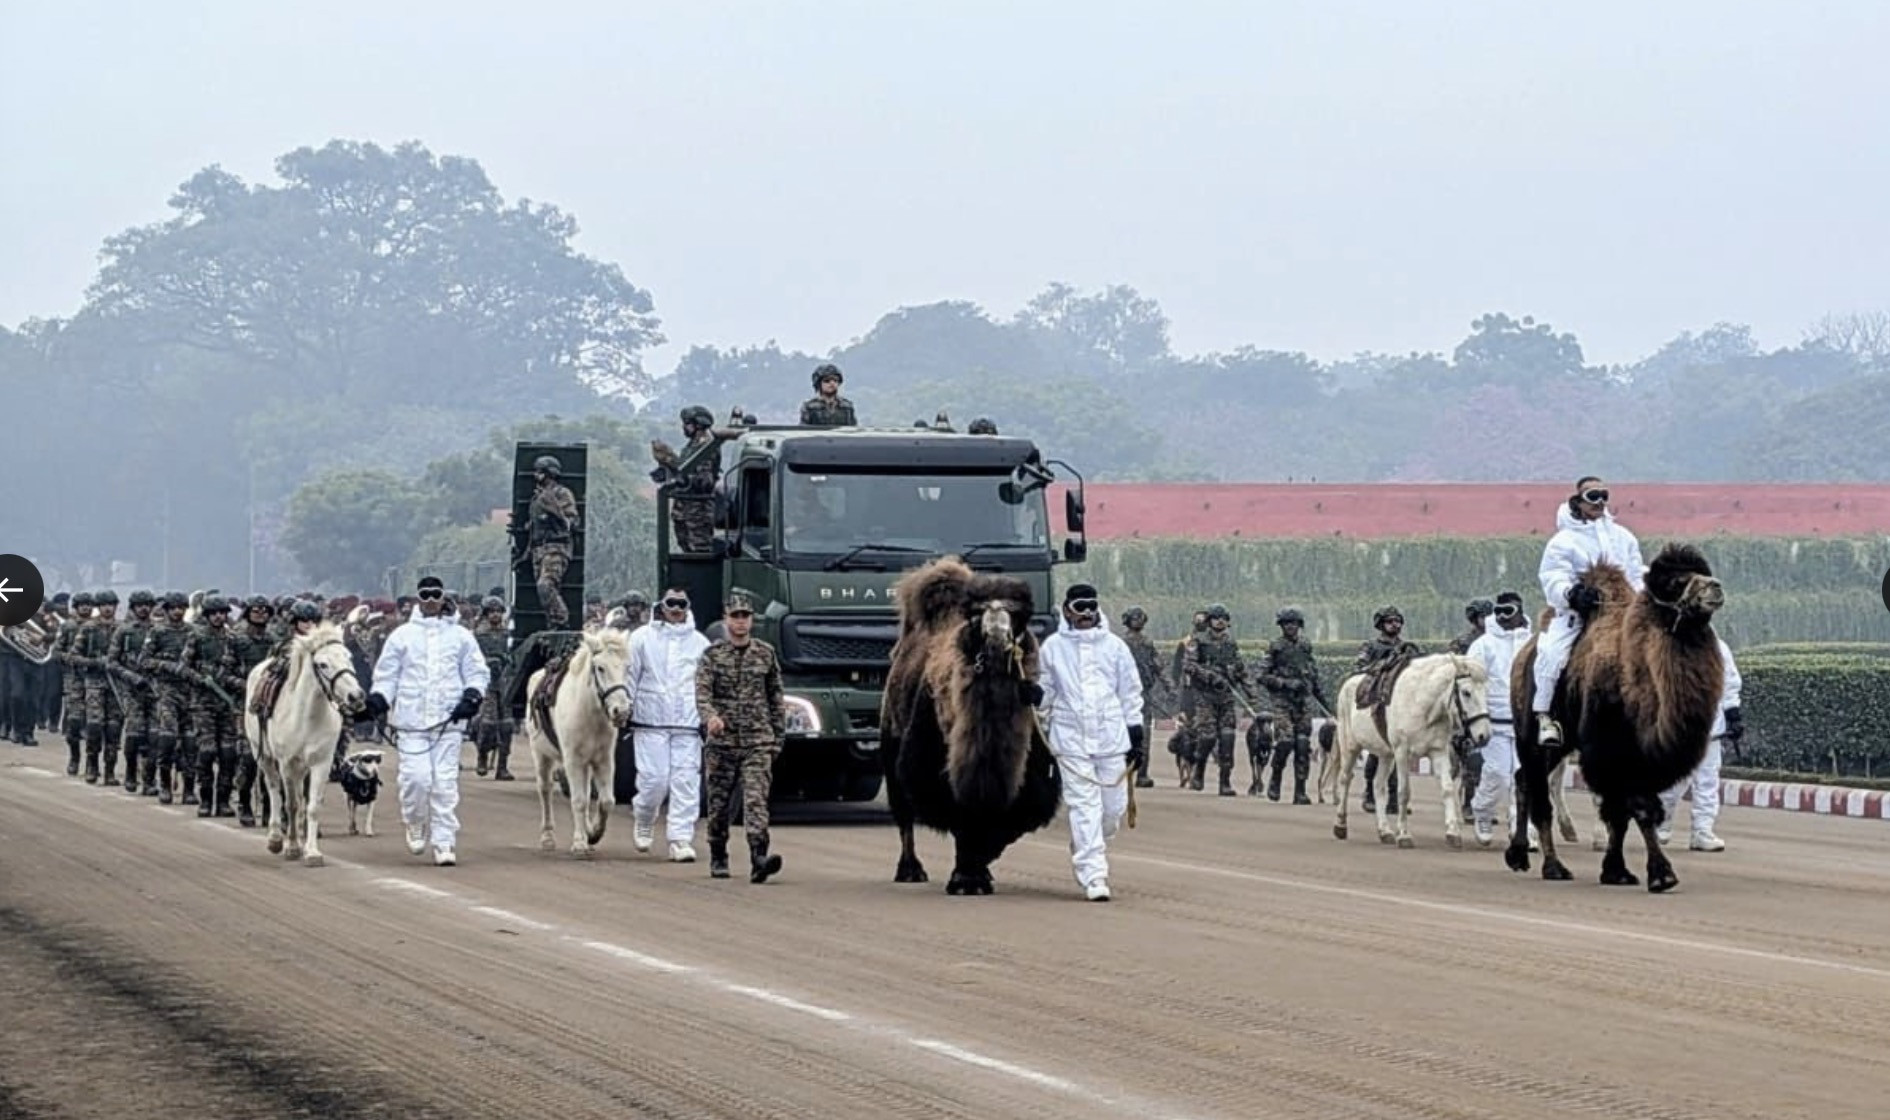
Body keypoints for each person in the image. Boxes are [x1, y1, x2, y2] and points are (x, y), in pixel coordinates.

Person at [368, 576, 490, 867]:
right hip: (411, 722)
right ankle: (415, 821)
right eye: (426, 594)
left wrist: (472, 697)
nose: (432, 599)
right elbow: (387, 676)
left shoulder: (461, 636)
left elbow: (477, 671)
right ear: (418, 599)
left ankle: (444, 840)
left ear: (444, 597)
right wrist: (379, 699)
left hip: (449, 721)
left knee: (444, 783)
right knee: (416, 780)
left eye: (437, 594)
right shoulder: (401, 636)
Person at [1037, 584, 1143, 902]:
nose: (1085, 614)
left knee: (1112, 810)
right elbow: (1046, 691)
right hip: (1070, 740)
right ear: (1067, 610)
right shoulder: (1053, 647)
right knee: (1085, 806)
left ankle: (1088, 842)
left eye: (1090, 607)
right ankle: (1094, 875)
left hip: (1111, 738)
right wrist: (1035, 697)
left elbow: (1130, 691)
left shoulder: (1115, 647)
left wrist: (1135, 729)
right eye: (1079, 607)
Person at [1534, 476, 1645, 750]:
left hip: (1622, 613)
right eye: (1593, 496)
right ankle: (1545, 716)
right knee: (1551, 654)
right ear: (1579, 501)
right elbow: (1552, 576)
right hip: (1580, 615)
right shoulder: (1563, 541)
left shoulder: (1624, 538)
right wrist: (1572, 594)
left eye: (1604, 495)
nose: (1600, 502)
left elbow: (1635, 574)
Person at [694, 590, 787, 882]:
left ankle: (759, 856)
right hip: (722, 743)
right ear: (725, 620)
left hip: (757, 741)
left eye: (745, 616)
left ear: (752, 621)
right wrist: (711, 718)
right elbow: (702, 694)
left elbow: (776, 697)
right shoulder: (712, 656)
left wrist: (777, 738)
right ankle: (718, 853)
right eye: (735, 616)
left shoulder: (765, 654)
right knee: (719, 805)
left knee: (756, 800)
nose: (740, 622)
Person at [627, 588, 711, 861]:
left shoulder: (700, 643)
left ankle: (680, 839)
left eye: (681, 604)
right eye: (671, 603)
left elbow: (707, 684)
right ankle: (644, 817)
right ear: (661, 606)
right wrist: (625, 707)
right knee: (654, 780)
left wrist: (708, 715)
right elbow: (629, 675)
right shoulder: (640, 638)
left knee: (685, 782)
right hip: (650, 720)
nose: (676, 609)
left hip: (687, 723)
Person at [1659, 636, 1740, 851]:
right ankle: (1661, 823)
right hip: (1678, 727)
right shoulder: (1670, 646)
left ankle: (1702, 831)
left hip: (1710, 728)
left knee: (1708, 781)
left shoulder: (1719, 647)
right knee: (1673, 780)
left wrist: (1733, 713)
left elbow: (1730, 682)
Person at [1467, 592, 1533, 846]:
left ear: (1519, 611)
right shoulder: (1483, 644)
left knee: (1523, 776)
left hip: (1525, 722)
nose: (1503, 616)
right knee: (1498, 774)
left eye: (1509, 611)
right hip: (1493, 721)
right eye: (1499, 611)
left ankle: (1522, 828)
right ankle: (1482, 812)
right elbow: (1470, 683)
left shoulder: (1533, 641)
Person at [1354, 605, 1420, 814]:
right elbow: (1360, 668)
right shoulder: (1371, 646)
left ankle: (1395, 799)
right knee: (1377, 753)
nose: (1395, 625)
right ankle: (1370, 793)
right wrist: (1384, 664)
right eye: (1390, 621)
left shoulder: (1407, 647)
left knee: (1399, 753)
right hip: (1377, 701)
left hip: (1402, 703)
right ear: (1381, 624)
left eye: (1398, 621)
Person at [1257, 607, 1326, 804]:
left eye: (1294, 623)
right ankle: (1275, 779)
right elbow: (1261, 675)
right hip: (1282, 702)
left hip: (1303, 702)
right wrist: (1285, 683)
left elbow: (1313, 674)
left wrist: (1323, 702)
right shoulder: (1275, 647)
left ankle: (1300, 791)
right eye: (1286, 623)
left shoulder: (1305, 646)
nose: (1290, 627)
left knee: (1303, 745)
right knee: (1285, 741)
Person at [1182, 604, 1249, 795]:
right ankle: (1199, 769)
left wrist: (1251, 695)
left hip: (1226, 697)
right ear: (1210, 621)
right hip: (1206, 697)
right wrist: (1209, 676)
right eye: (1216, 617)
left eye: (1224, 618)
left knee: (1228, 738)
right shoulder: (1198, 641)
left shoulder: (1230, 643)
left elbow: (1240, 669)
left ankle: (1225, 782)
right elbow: (1189, 665)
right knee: (1208, 737)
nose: (1220, 621)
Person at [654, 406, 720, 553]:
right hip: (684, 507)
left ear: (698, 424)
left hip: (698, 510)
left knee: (700, 552)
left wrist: (672, 462)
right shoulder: (692, 446)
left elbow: (703, 481)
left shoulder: (706, 446)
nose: (684, 427)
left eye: (687, 423)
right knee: (687, 549)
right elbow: (684, 469)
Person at [525, 456, 579, 629]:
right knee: (544, 592)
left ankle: (561, 623)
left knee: (546, 585)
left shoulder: (561, 494)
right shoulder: (536, 499)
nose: (537, 475)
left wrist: (553, 508)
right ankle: (553, 625)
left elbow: (572, 522)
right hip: (538, 549)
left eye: (540, 472)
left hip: (556, 547)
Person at [1117, 606, 1168, 789]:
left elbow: (1157, 665)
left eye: (1141, 617)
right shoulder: (1120, 644)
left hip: (1144, 693)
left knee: (1145, 735)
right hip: (1123, 694)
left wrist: (1168, 684)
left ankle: (1142, 774)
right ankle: (1124, 772)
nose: (1138, 620)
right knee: (1123, 734)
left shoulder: (1147, 643)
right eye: (1134, 617)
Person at [472, 597, 514, 780]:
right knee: (488, 723)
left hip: (504, 681)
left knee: (507, 725)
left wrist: (507, 659)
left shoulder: (507, 633)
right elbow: (473, 658)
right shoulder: (478, 634)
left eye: (498, 611)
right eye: (492, 611)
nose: (496, 615)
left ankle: (502, 767)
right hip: (486, 681)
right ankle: (482, 755)